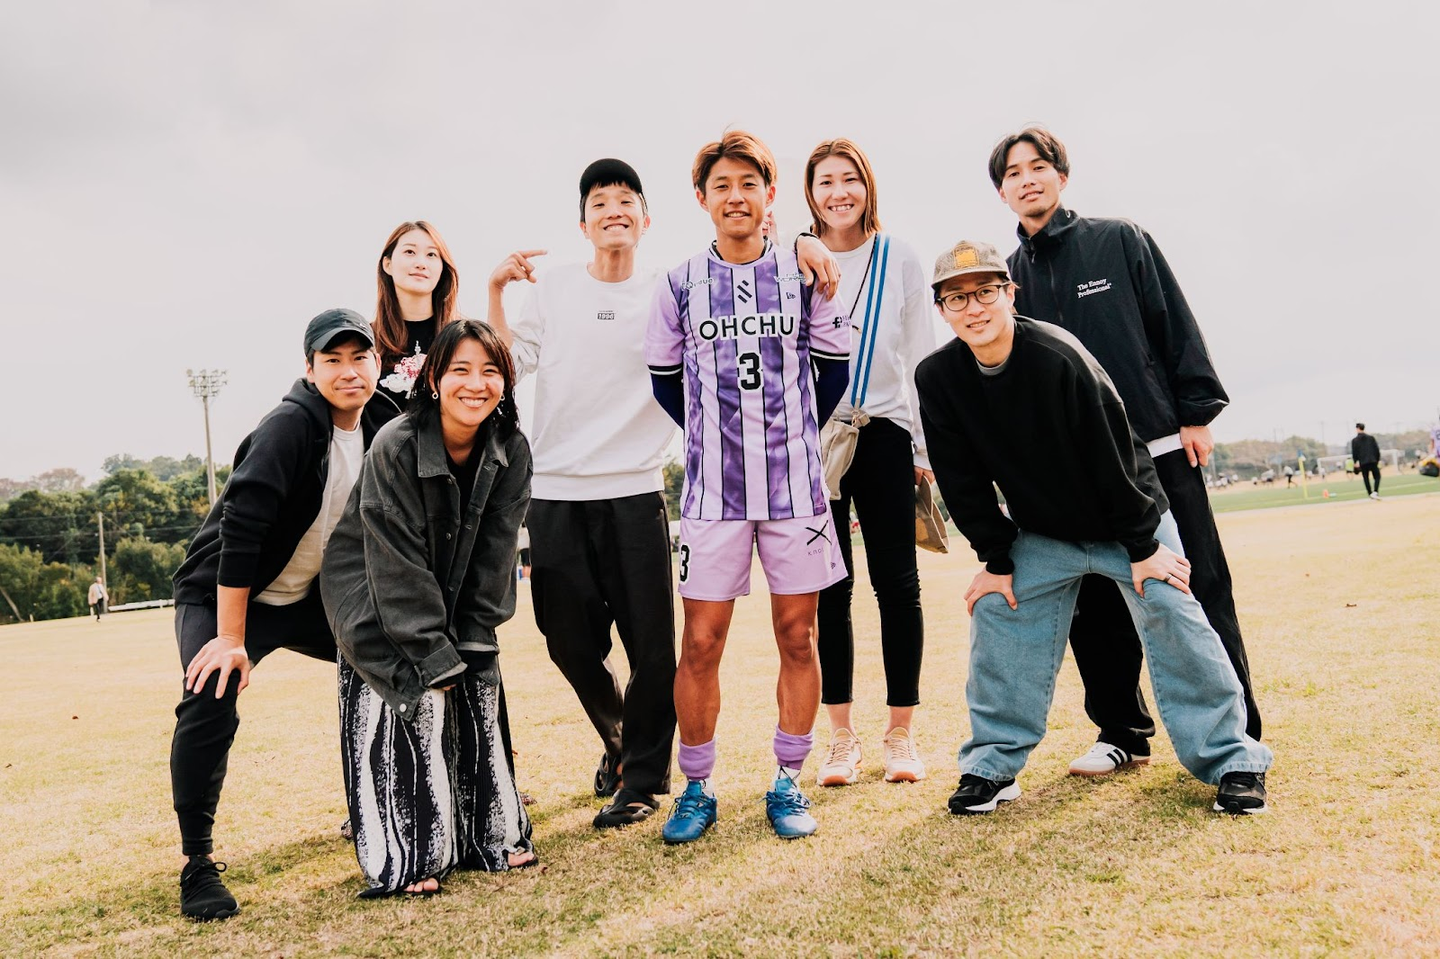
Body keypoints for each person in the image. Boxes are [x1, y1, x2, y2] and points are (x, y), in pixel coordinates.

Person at [486, 159, 839, 829]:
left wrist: (801, 238)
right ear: (582, 224)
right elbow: (507, 367)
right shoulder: (560, 288)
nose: (612, 210)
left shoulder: (667, 286)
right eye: (599, 201)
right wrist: (496, 292)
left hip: (641, 486)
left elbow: (746, 258)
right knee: (568, 639)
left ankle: (646, 780)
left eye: (626, 200)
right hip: (559, 487)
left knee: (660, 647)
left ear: (647, 219)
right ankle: (622, 742)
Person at [915, 239, 1273, 817]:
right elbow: (961, 479)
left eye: (985, 291)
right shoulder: (937, 376)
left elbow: (1114, 456)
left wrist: (1143, 547)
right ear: (942, 310)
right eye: (957, 298)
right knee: (996, 607)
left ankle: (1233, 760)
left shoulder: (1058, 354)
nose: (973, 307)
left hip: (1126, 522)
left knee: (1172, 605)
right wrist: (997, 560)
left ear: (1010, 294)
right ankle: (991, 768)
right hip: (1045, 535)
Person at [992, 126, 1263, 775]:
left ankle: (1240, 732)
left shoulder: (1118, 239)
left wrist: (1194, 412)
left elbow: (1172, 319)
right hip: (1071, 473)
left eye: (1037, 166)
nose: (1027, 179)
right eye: (1013, 173)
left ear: (1061, 175)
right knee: (1095, 604)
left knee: (1198, 586)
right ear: (1002, 192)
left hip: (1158, 447)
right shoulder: (1007, 279)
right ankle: (1121, 731)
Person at [645, 131, 851, 843]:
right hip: (712, 496)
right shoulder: (677, 284)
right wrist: (717, 438)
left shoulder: (806, 273)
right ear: (702, 198)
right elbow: (666, 384)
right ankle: (697, 786)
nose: (736, 196)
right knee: (701, 643)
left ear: (770, 194)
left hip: (796, 491)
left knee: (798, 634)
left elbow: (833, 372)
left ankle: (788, 778)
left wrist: (789, 436)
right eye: (722, 185)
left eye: (748, 183)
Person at [169, 309, 398, 920]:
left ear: (377, 363)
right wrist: (230, 638)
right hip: (227, 594)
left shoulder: (384, 422)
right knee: (211, 692)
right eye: (333, 360)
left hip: (311, 598)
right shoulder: (289, 426)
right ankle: (197, 863)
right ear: (309, 368)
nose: (349, 372)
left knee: (398, 662)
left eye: (360, 358)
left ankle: (385, 808)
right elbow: (241, 532)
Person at [322, 319, 536, 897]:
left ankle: (491, 835)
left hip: (455, 598)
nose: (476, 384)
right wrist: (430, 651)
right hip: (374, 601)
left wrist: (474, 638)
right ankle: (409, 854)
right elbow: (394, 562)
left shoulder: (511, 448)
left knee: (478, 691)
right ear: (434, 380)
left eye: (490, 371)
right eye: (460, 370)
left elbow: (496, 555)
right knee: (418, 701)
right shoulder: (395, 444)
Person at [802, 138, 937, 788]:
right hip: (816, 443)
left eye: (849, 179)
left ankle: (900, 734)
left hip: (885, 434)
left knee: (898, 586)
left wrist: (924, 449)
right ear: (810, 194)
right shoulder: (794, 262)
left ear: (867, 186)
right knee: (831, 591)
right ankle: (841, 740)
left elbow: (920, 357)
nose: (839, 193)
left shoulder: (898, 256)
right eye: (826, 182)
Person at [372, 220, 461, 409]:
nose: (421, 264)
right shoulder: (366, 340)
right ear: (387, 264)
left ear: (442, 268)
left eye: (431, 255)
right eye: (410, 252)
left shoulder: (463, 338)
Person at [1351, 423, 1382, 499]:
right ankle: (1375, 491)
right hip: (1372, 460)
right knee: (1377, 476)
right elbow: (1376, 449)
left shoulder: (1354, 440)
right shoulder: (1371, 438)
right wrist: (1377, 459)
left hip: (1363, 462)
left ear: (1357, 429)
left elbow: (1354, 452)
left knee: (1366, 478)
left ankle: (1370, 493)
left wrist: (1355, 462)